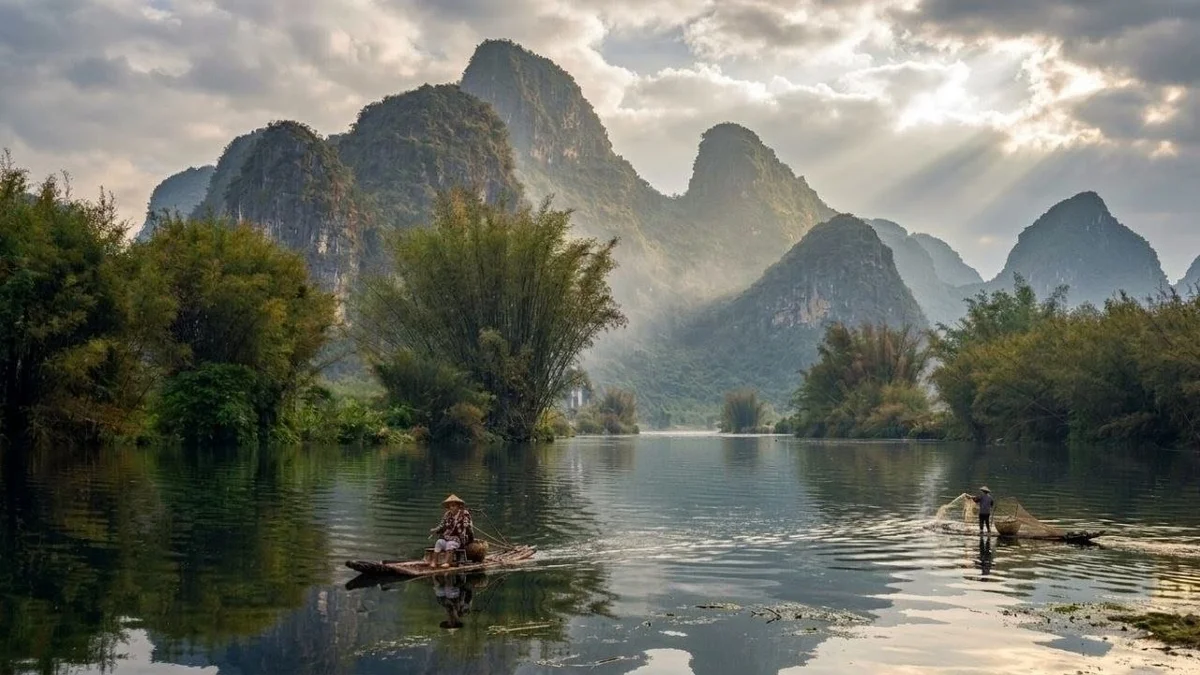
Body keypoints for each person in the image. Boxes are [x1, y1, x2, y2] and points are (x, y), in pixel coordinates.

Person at [429, 494, 473, 568]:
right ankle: (434, 561)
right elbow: (441, 525)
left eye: (453, 506)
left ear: (458, 506)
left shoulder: (464, 513)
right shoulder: (447, 514)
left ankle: (447, 562)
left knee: (450, 544)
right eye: (450, 506)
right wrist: (435, 530)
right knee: (439, 542)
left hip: (459, 540)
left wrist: (466, 525)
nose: (451, 508)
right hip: (447, 537)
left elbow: (469, 526)